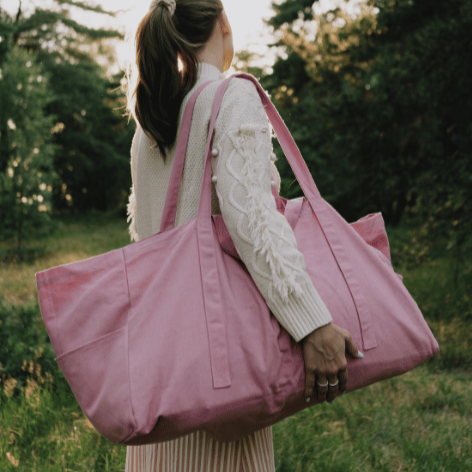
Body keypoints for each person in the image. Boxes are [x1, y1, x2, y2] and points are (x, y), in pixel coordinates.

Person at [125, 0, 363, 470]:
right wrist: (311, 323)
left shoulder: (150, 122)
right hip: (220, 365)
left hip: (164, 367)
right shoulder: (231, 98)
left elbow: (145, 235)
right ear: (224, 25)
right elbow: (252, 218)